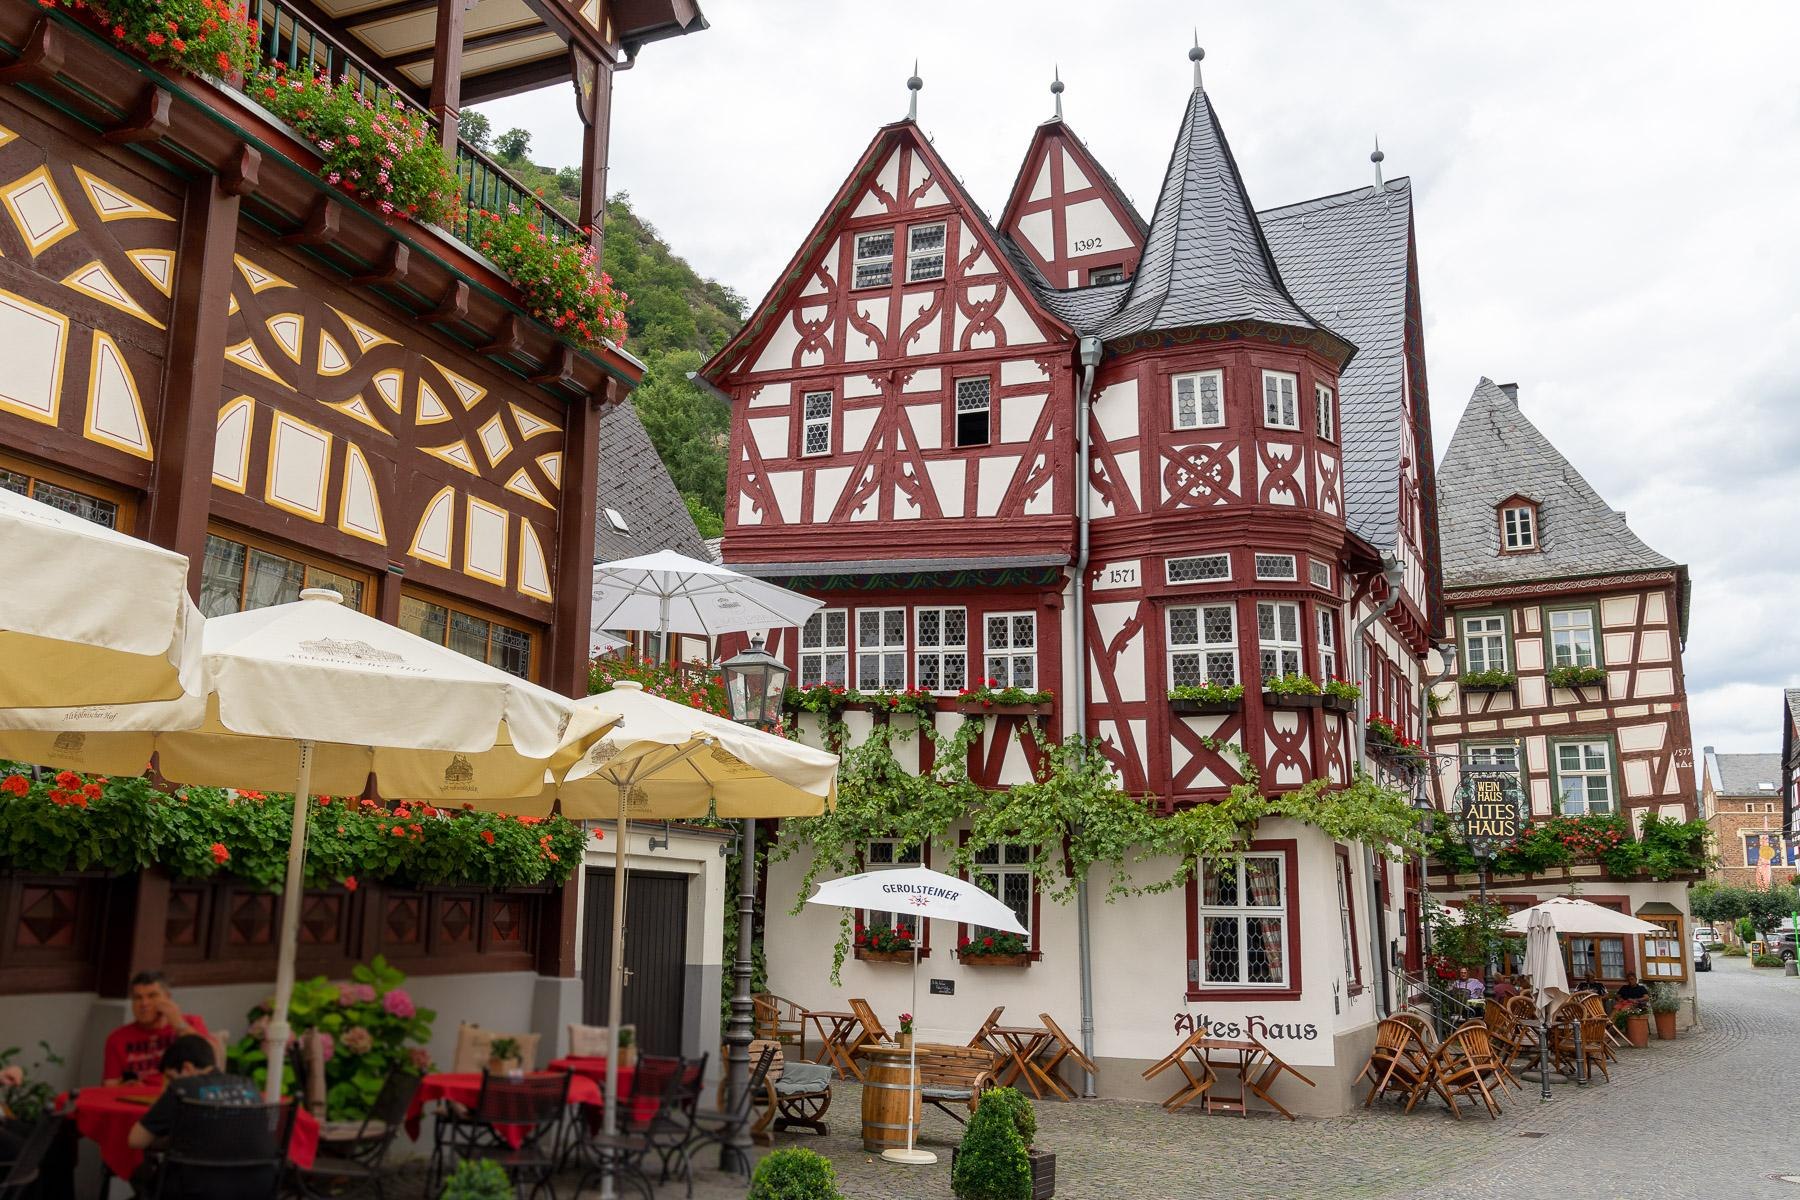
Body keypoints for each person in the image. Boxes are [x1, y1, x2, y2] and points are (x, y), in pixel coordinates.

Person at [127, 1035, 270, 1200]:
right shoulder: (250, 1086)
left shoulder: (182, 1088)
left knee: (141, 1174)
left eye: (171, 1077)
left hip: (197, 1189)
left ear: (187, 1068)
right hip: (258, 1187)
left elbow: (135, 1140)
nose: (168, 1085)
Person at [102, 971, 210, 1085]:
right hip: (138, 1095)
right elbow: (110, 1083)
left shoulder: (191, 1022)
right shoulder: (117, 1038)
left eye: (152, 996)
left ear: (167, 998)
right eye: (138, 998)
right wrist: (125, 1088)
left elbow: (209, 1061)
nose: (144, 1003)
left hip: (180, 1092)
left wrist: (178, 1023)